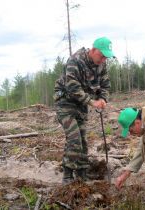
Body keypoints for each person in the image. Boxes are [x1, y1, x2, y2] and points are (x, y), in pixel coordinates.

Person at [54, 37, 115, 184]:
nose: (103, 60)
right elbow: (73, 88)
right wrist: (92, 102)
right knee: (74, 138)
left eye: (106, 57)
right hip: (65, 103)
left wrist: (103, 99)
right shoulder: (75, 60)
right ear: (93, 50)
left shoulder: (101, 65)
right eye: (102, 56)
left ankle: (81, 173)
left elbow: (105, 86)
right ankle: (67, 175)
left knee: (82, 139)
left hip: (81, 105)